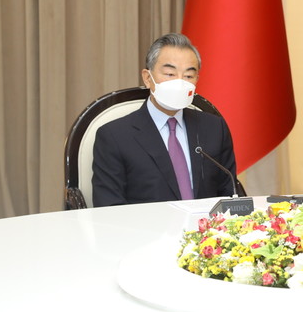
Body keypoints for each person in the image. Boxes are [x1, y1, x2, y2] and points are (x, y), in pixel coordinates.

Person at [91, 33, 239, 206]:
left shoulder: (214, 128)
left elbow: (230, 194)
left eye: (188, 76)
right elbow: (109, 206)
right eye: (170, 73)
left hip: (206, 223)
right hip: (146, 224)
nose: (180, 82)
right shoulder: (115, 136)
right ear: (148, 78)